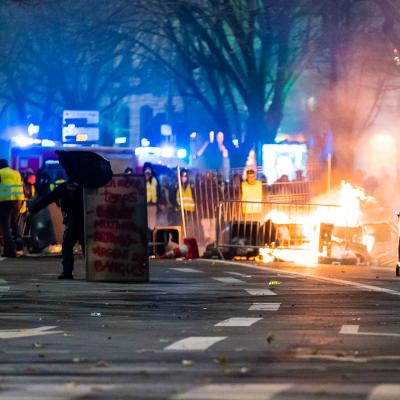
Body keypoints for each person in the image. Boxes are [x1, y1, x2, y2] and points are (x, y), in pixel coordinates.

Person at [29, 180, 84, 279]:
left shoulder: (66, 188)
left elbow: (48, 198)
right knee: (81, 245)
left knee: (68, 244)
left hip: (76, 220)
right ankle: (90, 270)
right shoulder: (83, 186)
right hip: (82, 220)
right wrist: (34, 209)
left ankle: (68, 272)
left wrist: (33, 209)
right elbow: (48, 198)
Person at [0, 159, 25, 257]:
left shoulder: (0, 173)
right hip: (17, 201)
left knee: (5, 225)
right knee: (14, 224)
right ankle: (19, 247)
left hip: (4, 201)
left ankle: (10, 250)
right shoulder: (16, 173)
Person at [143, 162, 158, 231]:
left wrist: (159, 202)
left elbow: (158, 191)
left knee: (152, 224)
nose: (148, 171)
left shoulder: (154, 180)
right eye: (146, 170)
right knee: (145, 223)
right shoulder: (142, 180)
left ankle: (152, 235)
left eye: (149, 169)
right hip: (145, 205)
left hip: (153, 205)